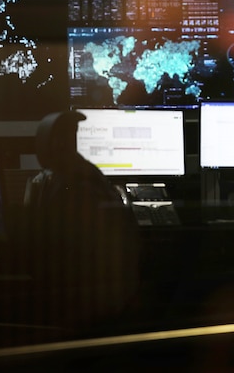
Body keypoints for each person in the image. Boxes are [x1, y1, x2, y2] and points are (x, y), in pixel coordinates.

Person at [24, 110, 140, 329]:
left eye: (70, 136)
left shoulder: (66, 186)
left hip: (80, 304)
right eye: (64, 137)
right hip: (110, 299)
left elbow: (40, 250)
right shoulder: (86, 177)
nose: (68, 143)